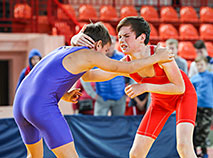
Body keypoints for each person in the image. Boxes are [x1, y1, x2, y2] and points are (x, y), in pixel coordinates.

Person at [13, 22, 173, 158]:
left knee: (34, 156)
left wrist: (66, 95)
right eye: (105, 51)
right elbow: (126, 67)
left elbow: (48, 81)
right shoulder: (89, 54)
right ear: (97, 45)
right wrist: (157, 58)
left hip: (20, 104)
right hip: (41, 107)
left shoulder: (61, 50)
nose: (104, 56)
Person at [73, 17, 197, 158]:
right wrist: (78, 48)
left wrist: (144, 87)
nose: (122, 41)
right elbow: (89, 76)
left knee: (184, 147)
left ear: (141, 37)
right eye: (119, 37)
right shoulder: (126, 64)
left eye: (126, 36)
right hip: (160, 103)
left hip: (184, 97)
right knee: (136, 154)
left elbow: (179, 88)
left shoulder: (160, 54)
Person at [93, 35, 126, 116]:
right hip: (102, 98)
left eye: (112, 44)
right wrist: (93, 95)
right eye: (108, 44)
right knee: (98, 123)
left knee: (119, 123)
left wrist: (127, 93)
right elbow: (84, 77)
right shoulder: (97, 58)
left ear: (115, 44)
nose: (110, 47)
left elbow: (132, 72)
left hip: (119, 98)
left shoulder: (121, 57)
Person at [190, 56, 213, 158]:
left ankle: (203, 152)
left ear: (206, 65)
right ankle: (196, 152)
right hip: (197, 107)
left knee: (204, 129)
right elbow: (191, 94)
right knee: (195, 129)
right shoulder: (194, 78)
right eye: (198, 65)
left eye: (201, 64)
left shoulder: (211, 76)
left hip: (208, 107)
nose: (199, 67)